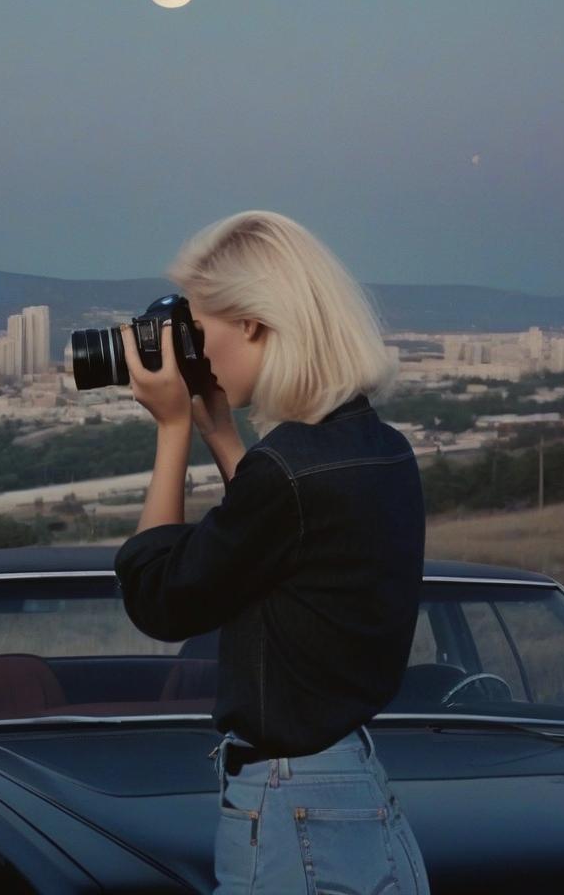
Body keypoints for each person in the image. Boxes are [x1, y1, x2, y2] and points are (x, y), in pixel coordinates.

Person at [113, 209, 432, 894]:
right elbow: (280, 548)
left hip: (294, 808)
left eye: (200, 332)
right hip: (355, 791)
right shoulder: (380, 450)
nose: (195, 354)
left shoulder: (287, 472)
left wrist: (172, 430)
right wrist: (225, 441)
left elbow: (160, 599)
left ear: (254, 322)